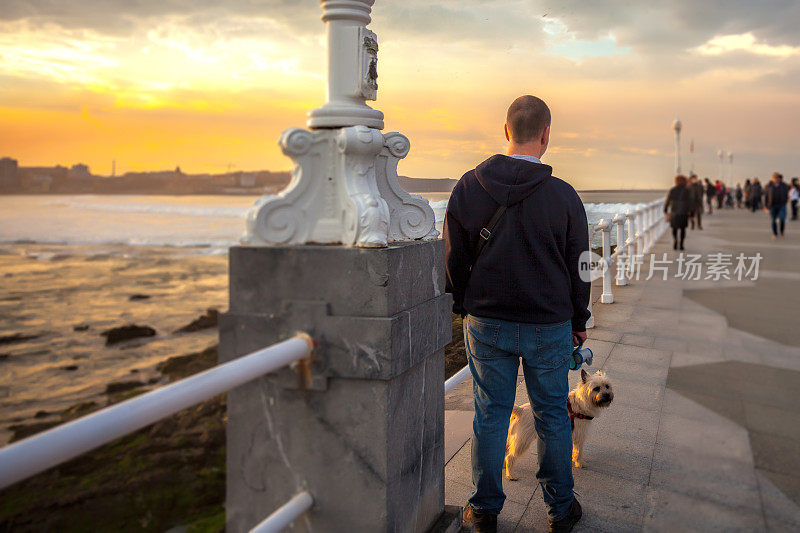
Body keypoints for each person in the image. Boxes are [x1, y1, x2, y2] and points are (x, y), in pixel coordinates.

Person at [444, 95, 589, 533]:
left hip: (487, 323)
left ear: (506, 131)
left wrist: (463, 307)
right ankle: (560, 509)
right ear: (546, 134)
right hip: (549, 325)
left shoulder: (468, 187)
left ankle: (484, 509)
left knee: (490, 413)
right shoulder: (563, 196)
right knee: (551, 414)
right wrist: (578, 321)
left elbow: (453, 259)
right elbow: (580, 263)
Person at [665, 175, 691, 250]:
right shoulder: (687, 190)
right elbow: (690, 202)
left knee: (674, 228)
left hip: (674, 212)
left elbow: (668, 201)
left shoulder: (673, 190)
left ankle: (675, 241)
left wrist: (666, 210)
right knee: (683, 229)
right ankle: (681, 244)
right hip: (684, 212)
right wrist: (690, 212)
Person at [765, 172, 789, 238]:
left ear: (779, 178)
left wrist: (785, 201)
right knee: (773, 220)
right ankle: (775, 233)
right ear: (772, 178)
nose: (776, 179)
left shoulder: (784, 185)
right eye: (774, 177)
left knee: (782, 218)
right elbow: (766, 196)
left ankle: (781, 231)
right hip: (772, 206)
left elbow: (786, 194)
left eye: (777, 177)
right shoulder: (769, 186)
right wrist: (766, 206)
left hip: (781, 205)